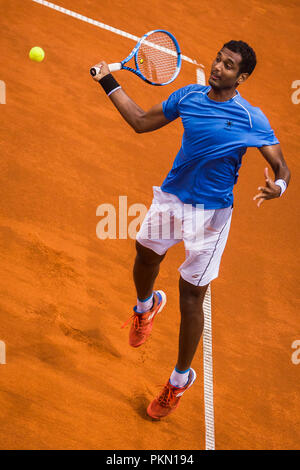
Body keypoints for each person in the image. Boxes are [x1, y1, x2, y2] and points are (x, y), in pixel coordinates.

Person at [91, 40, 290, 420]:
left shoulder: (251, 118)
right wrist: (108, 82)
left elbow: (282, 167)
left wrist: (278, 188)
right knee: (145, 254)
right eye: (218, 59)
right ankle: (146, 308)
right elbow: (140, 123)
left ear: (242, 77)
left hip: (211, 218)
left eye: (229, 66)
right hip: (171, 200)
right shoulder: (189, 97)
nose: (218, 67)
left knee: (190, 297)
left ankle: (178, 381)